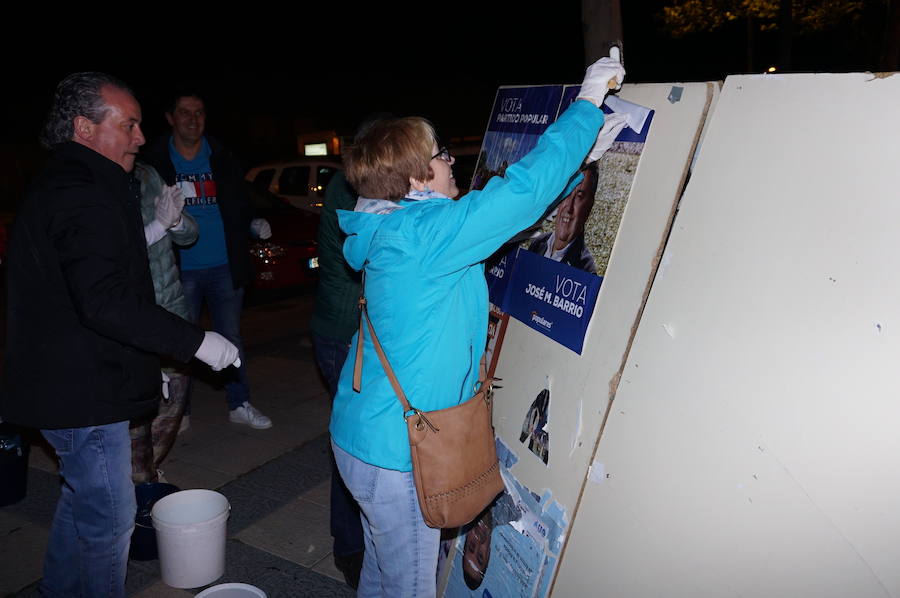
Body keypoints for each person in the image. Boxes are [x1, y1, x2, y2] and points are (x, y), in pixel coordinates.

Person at [328, 53, 627, 597]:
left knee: (381, 574)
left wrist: (574, 169)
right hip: (399, 456)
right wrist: (585, 107)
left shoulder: (394, 229)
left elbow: (500, 223)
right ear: (417, 173)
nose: (450, 163)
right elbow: (515, 196)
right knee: (410, 588)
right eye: (441, 155)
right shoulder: (424, 233)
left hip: (365, 437)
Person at [0, 72, 241, 598]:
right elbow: (106, 299)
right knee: (110, 520)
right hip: (80, 390)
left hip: (79, 373)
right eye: (128, 124)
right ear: (86, 128)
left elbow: (91, 288)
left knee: (82, 501)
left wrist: (142, 362)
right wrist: (196, 342)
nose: (138, 136)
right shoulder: (80, 192)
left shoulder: (79, 183)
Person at [143, 91, 273, 430]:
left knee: (231, 336)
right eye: (185, 112)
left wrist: (252, 223)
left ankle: (239, 402)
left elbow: (239, 203)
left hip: (223, 266)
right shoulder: (155, 160)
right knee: (178, 340)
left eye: (199, 112)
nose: (193, 119)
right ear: (170, 118)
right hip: (179, 269)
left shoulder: (222, 156)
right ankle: (178, 411)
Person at [310, 168, 365, 587]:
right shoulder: (350, 189)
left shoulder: (351, 183)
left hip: (342, 334)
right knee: (353, 450)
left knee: (353, 446)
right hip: (344, 336)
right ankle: (349, 548)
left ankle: (352, 546)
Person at [129, 161, 197, 483]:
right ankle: (139, 484)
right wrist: (157, 225)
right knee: (135, 410)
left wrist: (177, 221)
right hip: (128, 318)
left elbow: (189, 236)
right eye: (129, 126)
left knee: (174, 399)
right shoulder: (97, 183)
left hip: (171, 310)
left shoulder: (147, 174)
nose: (138, 135)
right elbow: (110, 256)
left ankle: (148, 472)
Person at [527, 161, 600, 273]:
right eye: (567, 192)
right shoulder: (537, 243)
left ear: (589, 206)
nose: (569, 207)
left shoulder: (586, 269)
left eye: (579, 196)